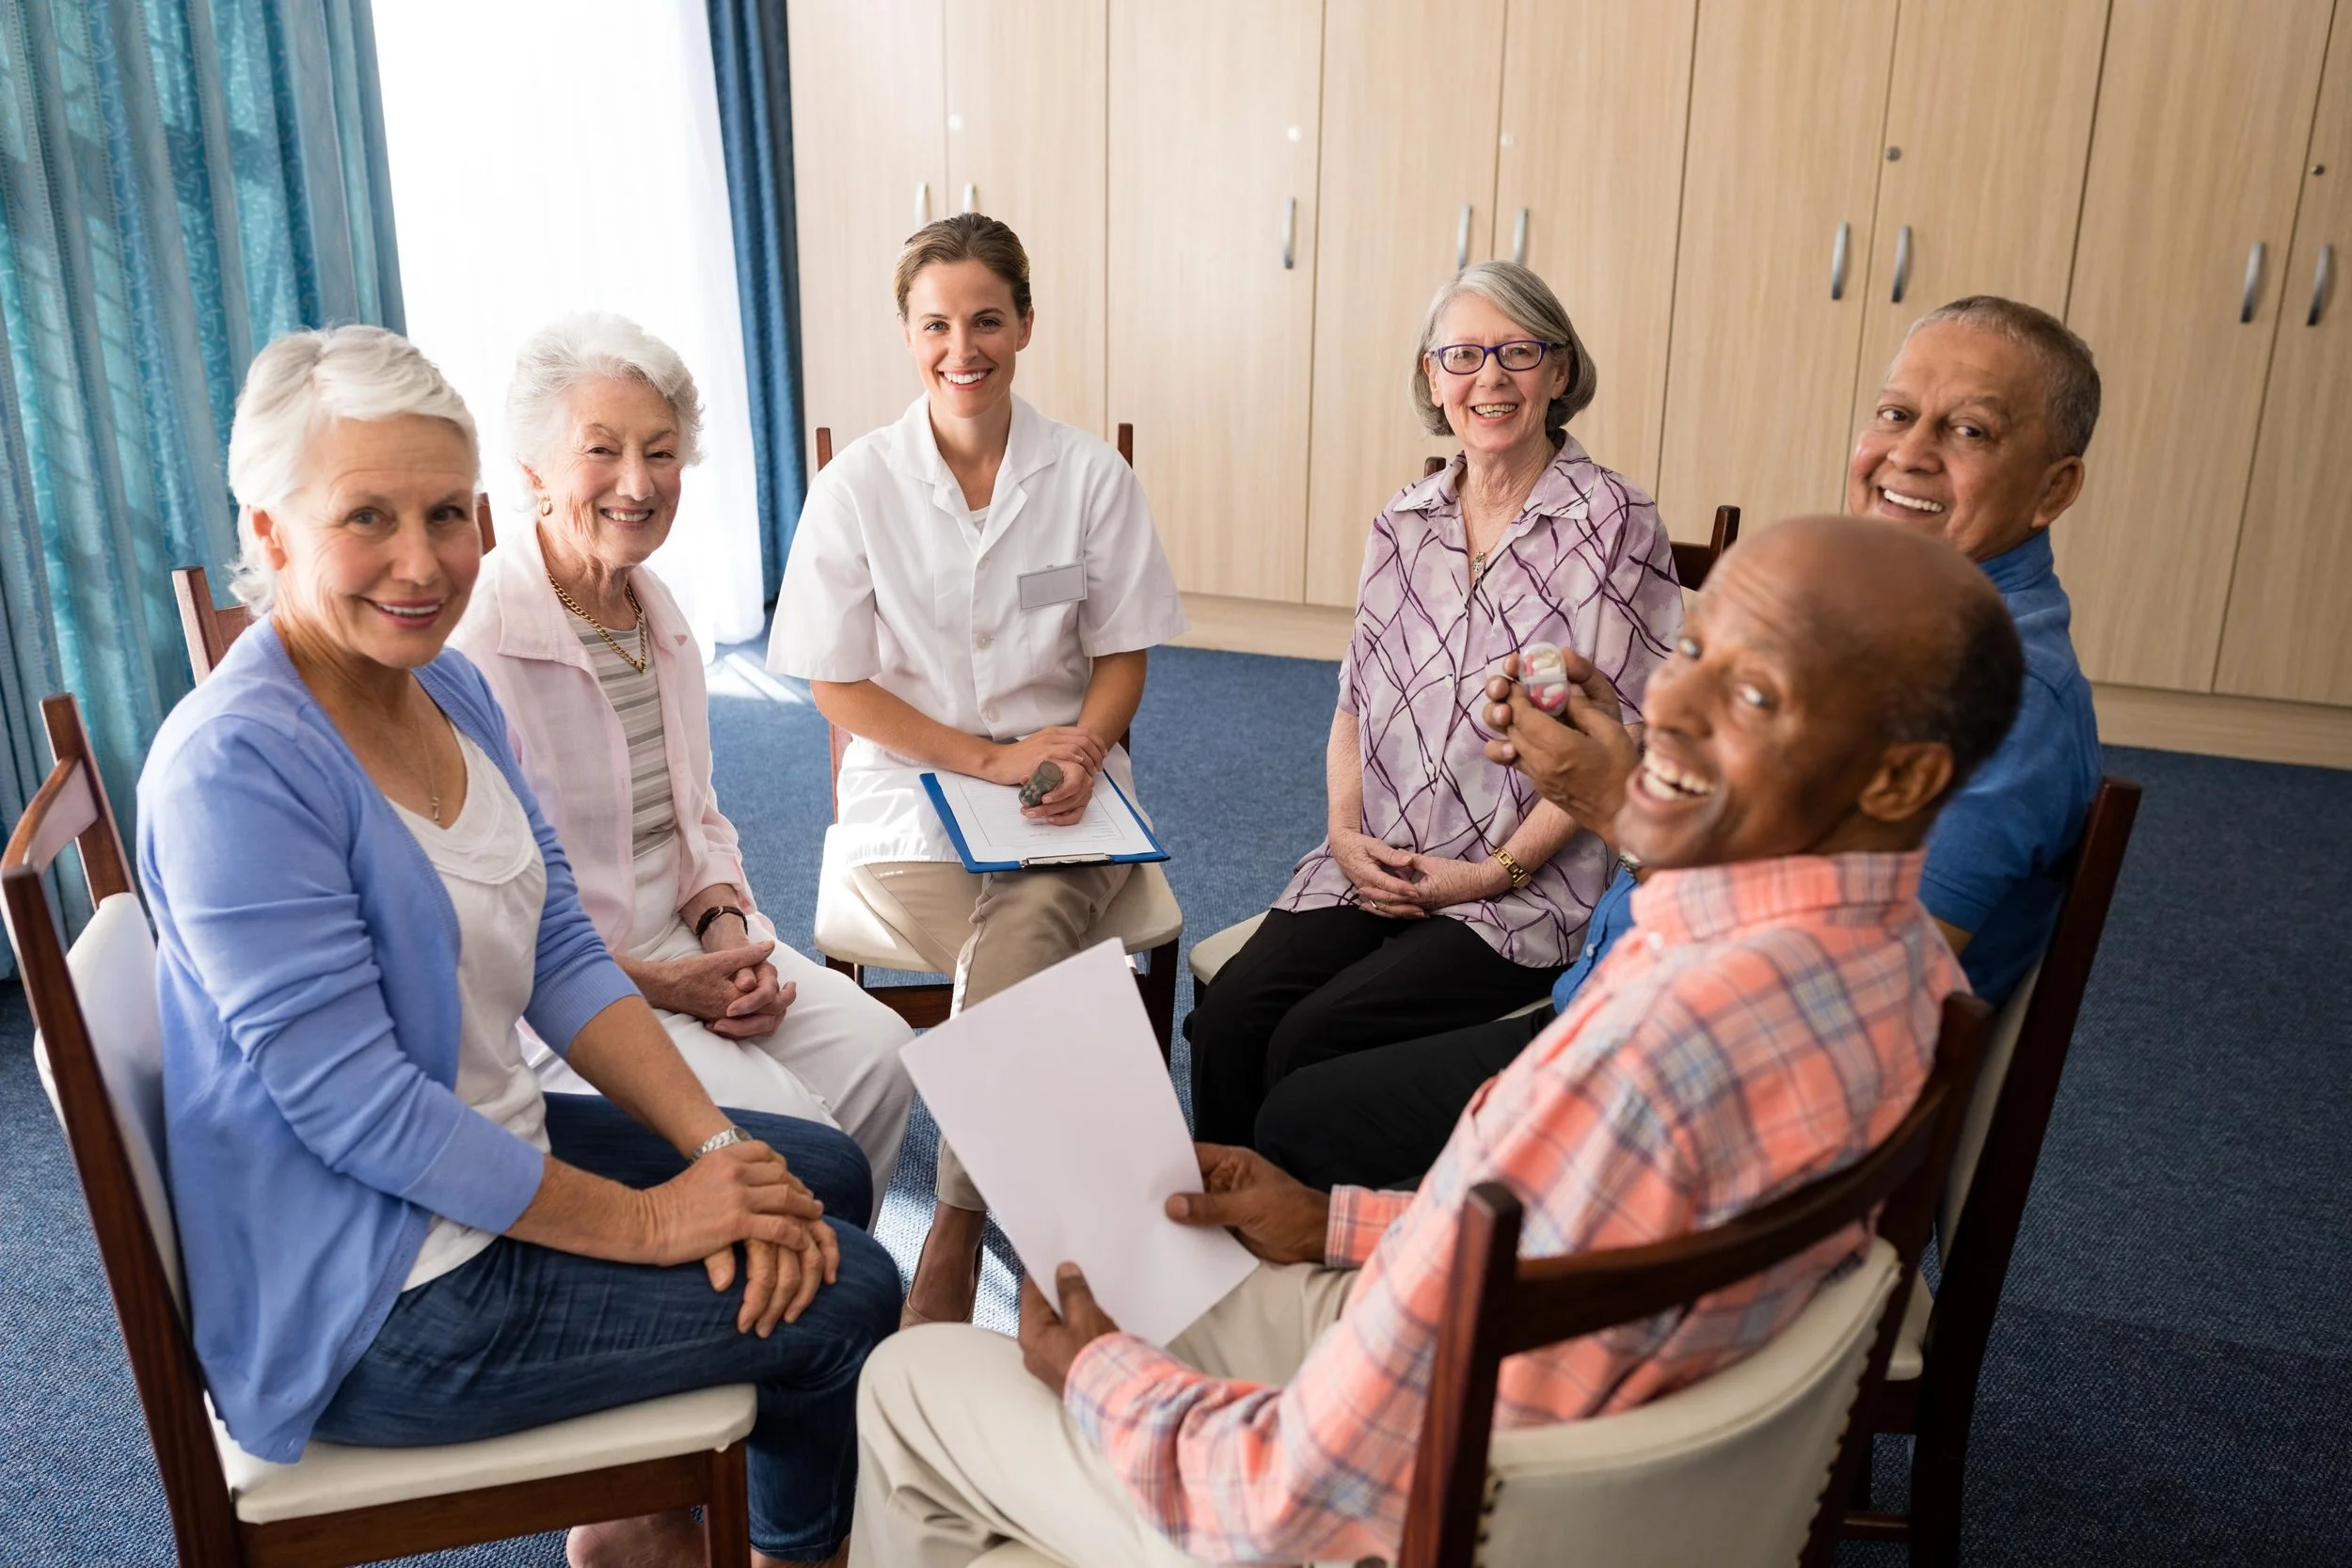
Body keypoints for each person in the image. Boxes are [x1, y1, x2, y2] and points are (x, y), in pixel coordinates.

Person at [850, 516, 2024, 1568]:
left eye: (1754, 692)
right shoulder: (1906, 968)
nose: (1665, 706)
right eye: (1691, 649)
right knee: (1162, 1251)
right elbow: (1582, 1247)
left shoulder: (1642, 1062)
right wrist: (1334, 1221)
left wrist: (1095, 1375)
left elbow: (1279, 1499)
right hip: (1523, 1404)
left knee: (913, 1379)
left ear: (1902, 774)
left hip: (1413, 1506)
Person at [140, 325, 898, 1568]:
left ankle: (660, 1506)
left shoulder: (440, 686)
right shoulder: (236, 765)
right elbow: (365, 1115)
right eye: (366, 517)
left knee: (809, 1169)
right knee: (850, 1290)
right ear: (269, 532)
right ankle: (782, 1546)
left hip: (477, 1155)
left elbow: (556, 946)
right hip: (377, 1294)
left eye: (446, 513)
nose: (422, 560)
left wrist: (712, 1146)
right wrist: (660, 1223)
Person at [1255, 294, 2104, 1192]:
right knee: (1278, 1046)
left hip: (1700, 1085)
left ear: (2054, 486)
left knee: (1303, 1116)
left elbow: (1814, 994)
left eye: (1969, 430)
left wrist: (1617, 806)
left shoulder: (1995, 696)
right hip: (1623, 991)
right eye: (1896, 413)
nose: (1910, 452)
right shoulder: (1892, 615)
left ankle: (1351, 1304)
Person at [767, 214, 1186, 1328]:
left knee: (1030, 915)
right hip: (913, 792)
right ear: (908, 335)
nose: (965, 348)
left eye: (988, 320)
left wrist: (1083, 747)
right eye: (937, 324)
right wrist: (987, 759)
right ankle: (1059, 1238)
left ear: (1026, 325)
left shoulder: (1087, 476)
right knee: (1037, 955)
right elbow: (836, 687)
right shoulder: (858, 486)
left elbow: (1120, 654)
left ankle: (950, 1227)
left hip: (1066, 790)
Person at [1183, 260, 1682, 1151]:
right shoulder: (1403, 521)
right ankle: (1225, 1250)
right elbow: (1352, 705)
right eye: (1462, 356)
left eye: (1517, 353)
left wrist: (1491, 875)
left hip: (1520, 891)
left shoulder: (1614, 521)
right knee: (1230, 1021)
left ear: (1559, 372)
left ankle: (1305, 1252)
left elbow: (1625, 738)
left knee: (1310, 1038)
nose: (1489, 377)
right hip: (1376, 857)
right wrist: (1342, 834)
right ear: (1431, 378)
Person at [453, 313, 914, 1194]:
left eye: (660, 453)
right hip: (570, 988)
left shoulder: (654, 610)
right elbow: (497, 927)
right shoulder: (479, 646)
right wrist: (671, 986)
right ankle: (780, 1278)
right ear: (533, 475)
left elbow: (697, 813)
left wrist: (730, 938)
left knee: (884, 1053)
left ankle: (805, 1270)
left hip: (686, 938)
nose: (637, 482)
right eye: (603, 450)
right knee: (801, 1134)